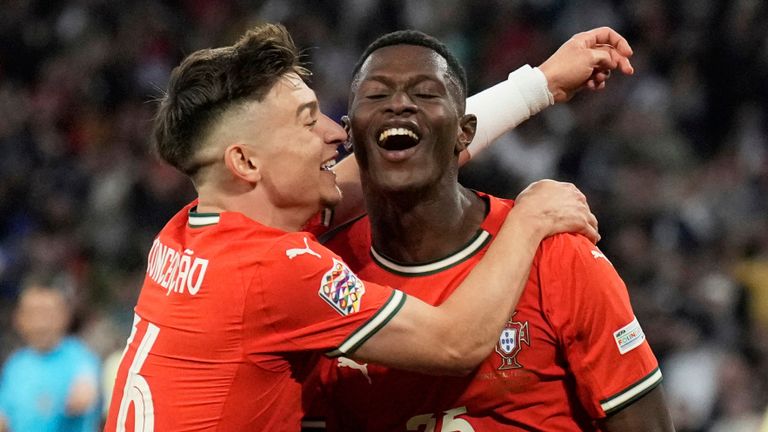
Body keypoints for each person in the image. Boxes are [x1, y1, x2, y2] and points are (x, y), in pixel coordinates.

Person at [102, 22, 608, 431]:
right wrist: (529, 219)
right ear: (246, 163)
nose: (335, 131)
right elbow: (454, 343)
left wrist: (539, 85)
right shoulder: (275, 272)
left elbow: (403, 156)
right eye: (306, 120)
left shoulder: (188, 231)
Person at [304, 30, 676, 431]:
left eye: (426, 94)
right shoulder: (319, 276)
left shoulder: (557, 254)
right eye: (376, 95)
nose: (399, 105)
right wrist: (540, 84)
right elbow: (453, 344)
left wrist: (542, 82)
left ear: (465, 131)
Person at [0, 273, 101, 432]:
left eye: (48, 313)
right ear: (19, 318)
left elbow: (85, 392)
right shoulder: (15, 365)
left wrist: (82, 395)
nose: (41, 323)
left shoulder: (80, 357)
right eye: (33, 313)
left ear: (65, 316)